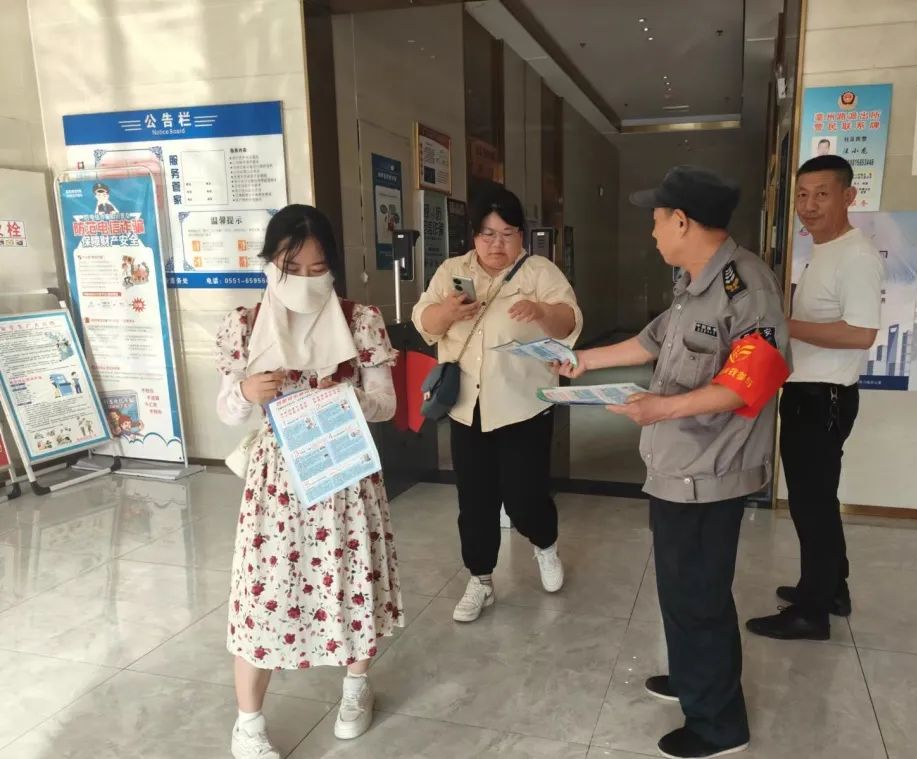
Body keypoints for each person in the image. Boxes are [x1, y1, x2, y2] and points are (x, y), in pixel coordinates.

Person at [558, 165, 789, 759]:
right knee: (680, 590)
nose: (653, 231)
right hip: (676, 468)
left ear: (683, 221)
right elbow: (650, 341)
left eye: (657, 220)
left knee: (700, 597)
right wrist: (584, 361)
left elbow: (749, 383)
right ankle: (692, 679)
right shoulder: (693, 283)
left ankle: (719, 726)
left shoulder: (747, 288)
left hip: (710, 473)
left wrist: (661, 408)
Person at [215, 205, 402, 759]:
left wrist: (350, 397)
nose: (303, 279)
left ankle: (355, 687)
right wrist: (246, 392)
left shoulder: (360, 320)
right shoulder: (244, 325)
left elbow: (387, 404)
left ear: (333, 268)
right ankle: (248, 723)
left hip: (343, 470)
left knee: (354, 579)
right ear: (269, 264)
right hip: (276, 483)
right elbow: (227, 411)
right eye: (290, 267)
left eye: (317, 269)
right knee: (264, 592)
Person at [412, 183, 582, 623]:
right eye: (487, 234)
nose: (497, 244)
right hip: (467, 408)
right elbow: (424, 320)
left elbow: (568, 320)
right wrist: (448, 313)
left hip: (524, 405)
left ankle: (545, 545)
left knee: (526, 497)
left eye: (507, 233)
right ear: (474, 235)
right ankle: (481, 579)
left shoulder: (539, 272)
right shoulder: (451, 271)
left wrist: (541, 312)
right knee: (475, 500)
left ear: (521, 235)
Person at [745, 155, 882, 641]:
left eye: (822, 194)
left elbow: (861, 333)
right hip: (810, 392)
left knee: (811, 505)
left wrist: (784, 325)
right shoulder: (824, 250)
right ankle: (830, 589)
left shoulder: (857, 256)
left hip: (824, 397)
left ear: (849, 196)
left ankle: (812, 613)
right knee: (817, 500)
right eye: (802, 195)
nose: (809, 205)